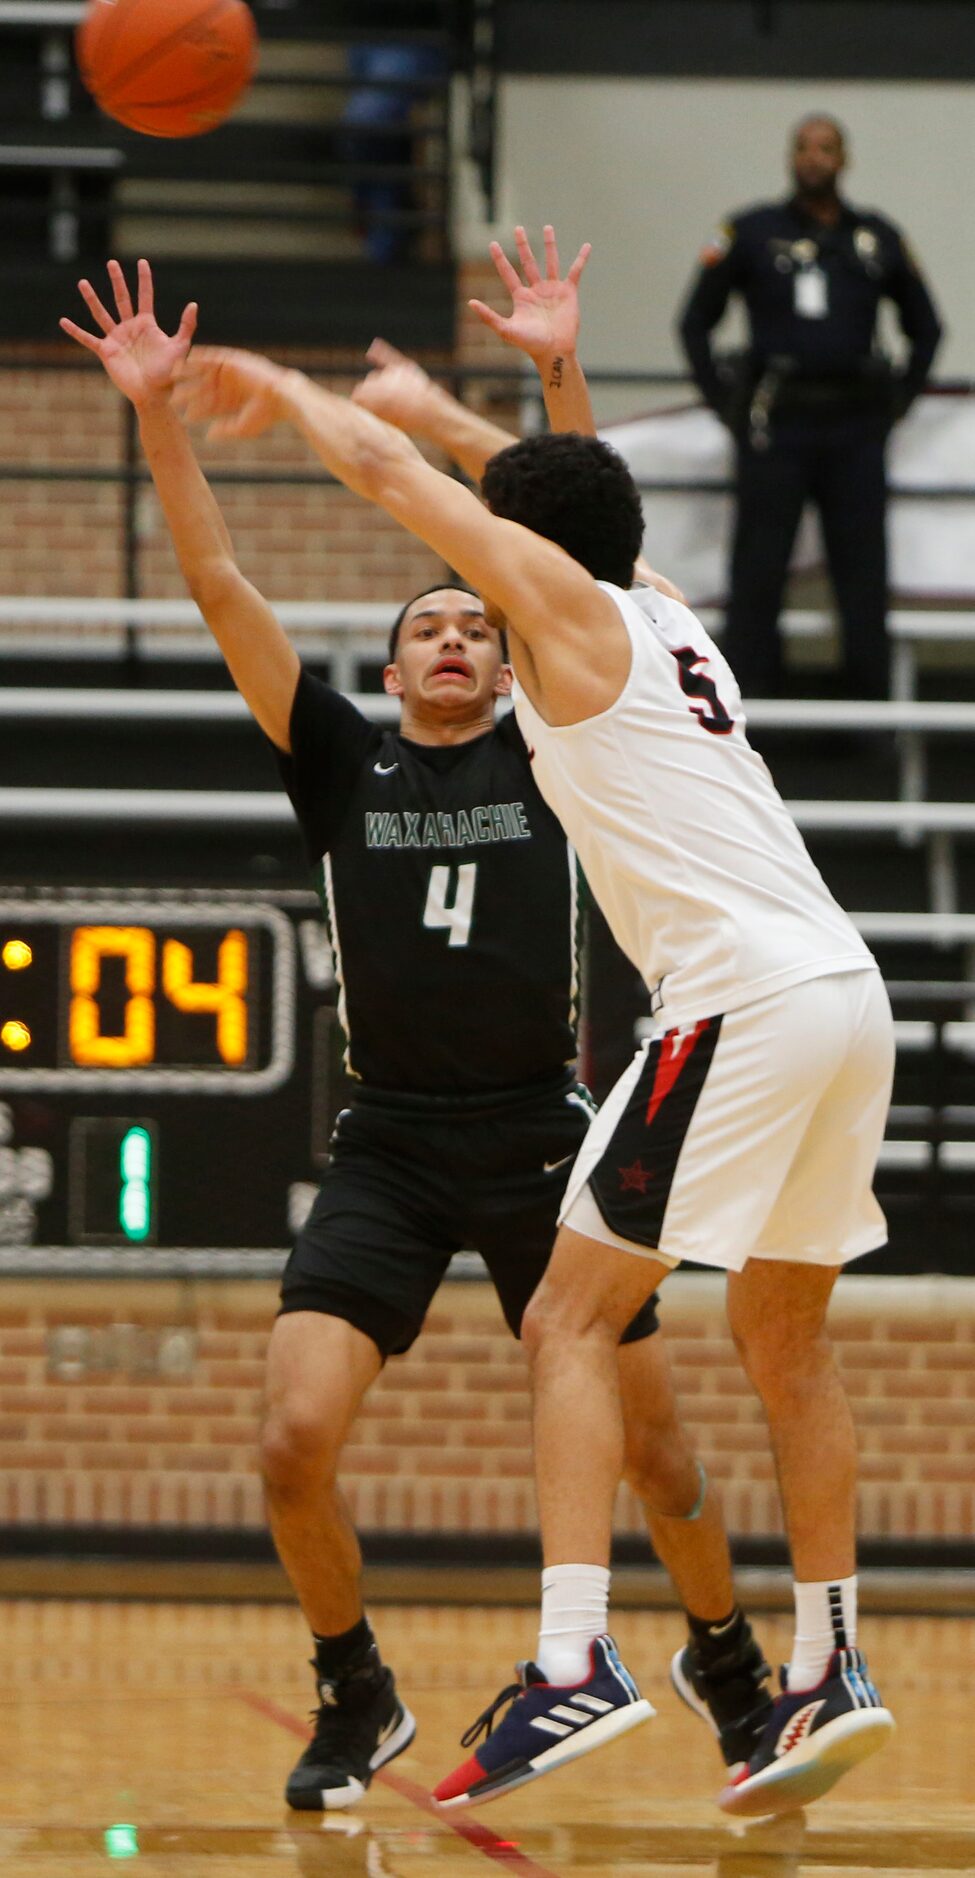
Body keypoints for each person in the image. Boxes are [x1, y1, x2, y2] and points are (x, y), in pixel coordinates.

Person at [165, 221, 899, 1821]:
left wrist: (295, 391)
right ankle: (822, 1665)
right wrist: (462, 404)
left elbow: (397, 484)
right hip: (848, 990)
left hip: (740, 1001)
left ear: (520, 561)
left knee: (564, 1323)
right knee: (783, 1344)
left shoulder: (560, 621)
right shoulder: (666, 611)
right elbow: (566, 491)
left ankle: (573, 1661)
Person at [678, 113, 943, 698]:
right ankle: (750, 716)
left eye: (826, 148)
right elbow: (695, 322)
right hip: (777, 425)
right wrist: (726, 406)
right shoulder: (749, 231)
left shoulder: (876, 237)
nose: (814, 157)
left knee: (862, 576)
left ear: (844, 159)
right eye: (803, 147)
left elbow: (927, 328)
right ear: (790, 157)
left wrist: (895, 406)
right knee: (758, 573)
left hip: (855, 426)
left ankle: (870, 727)